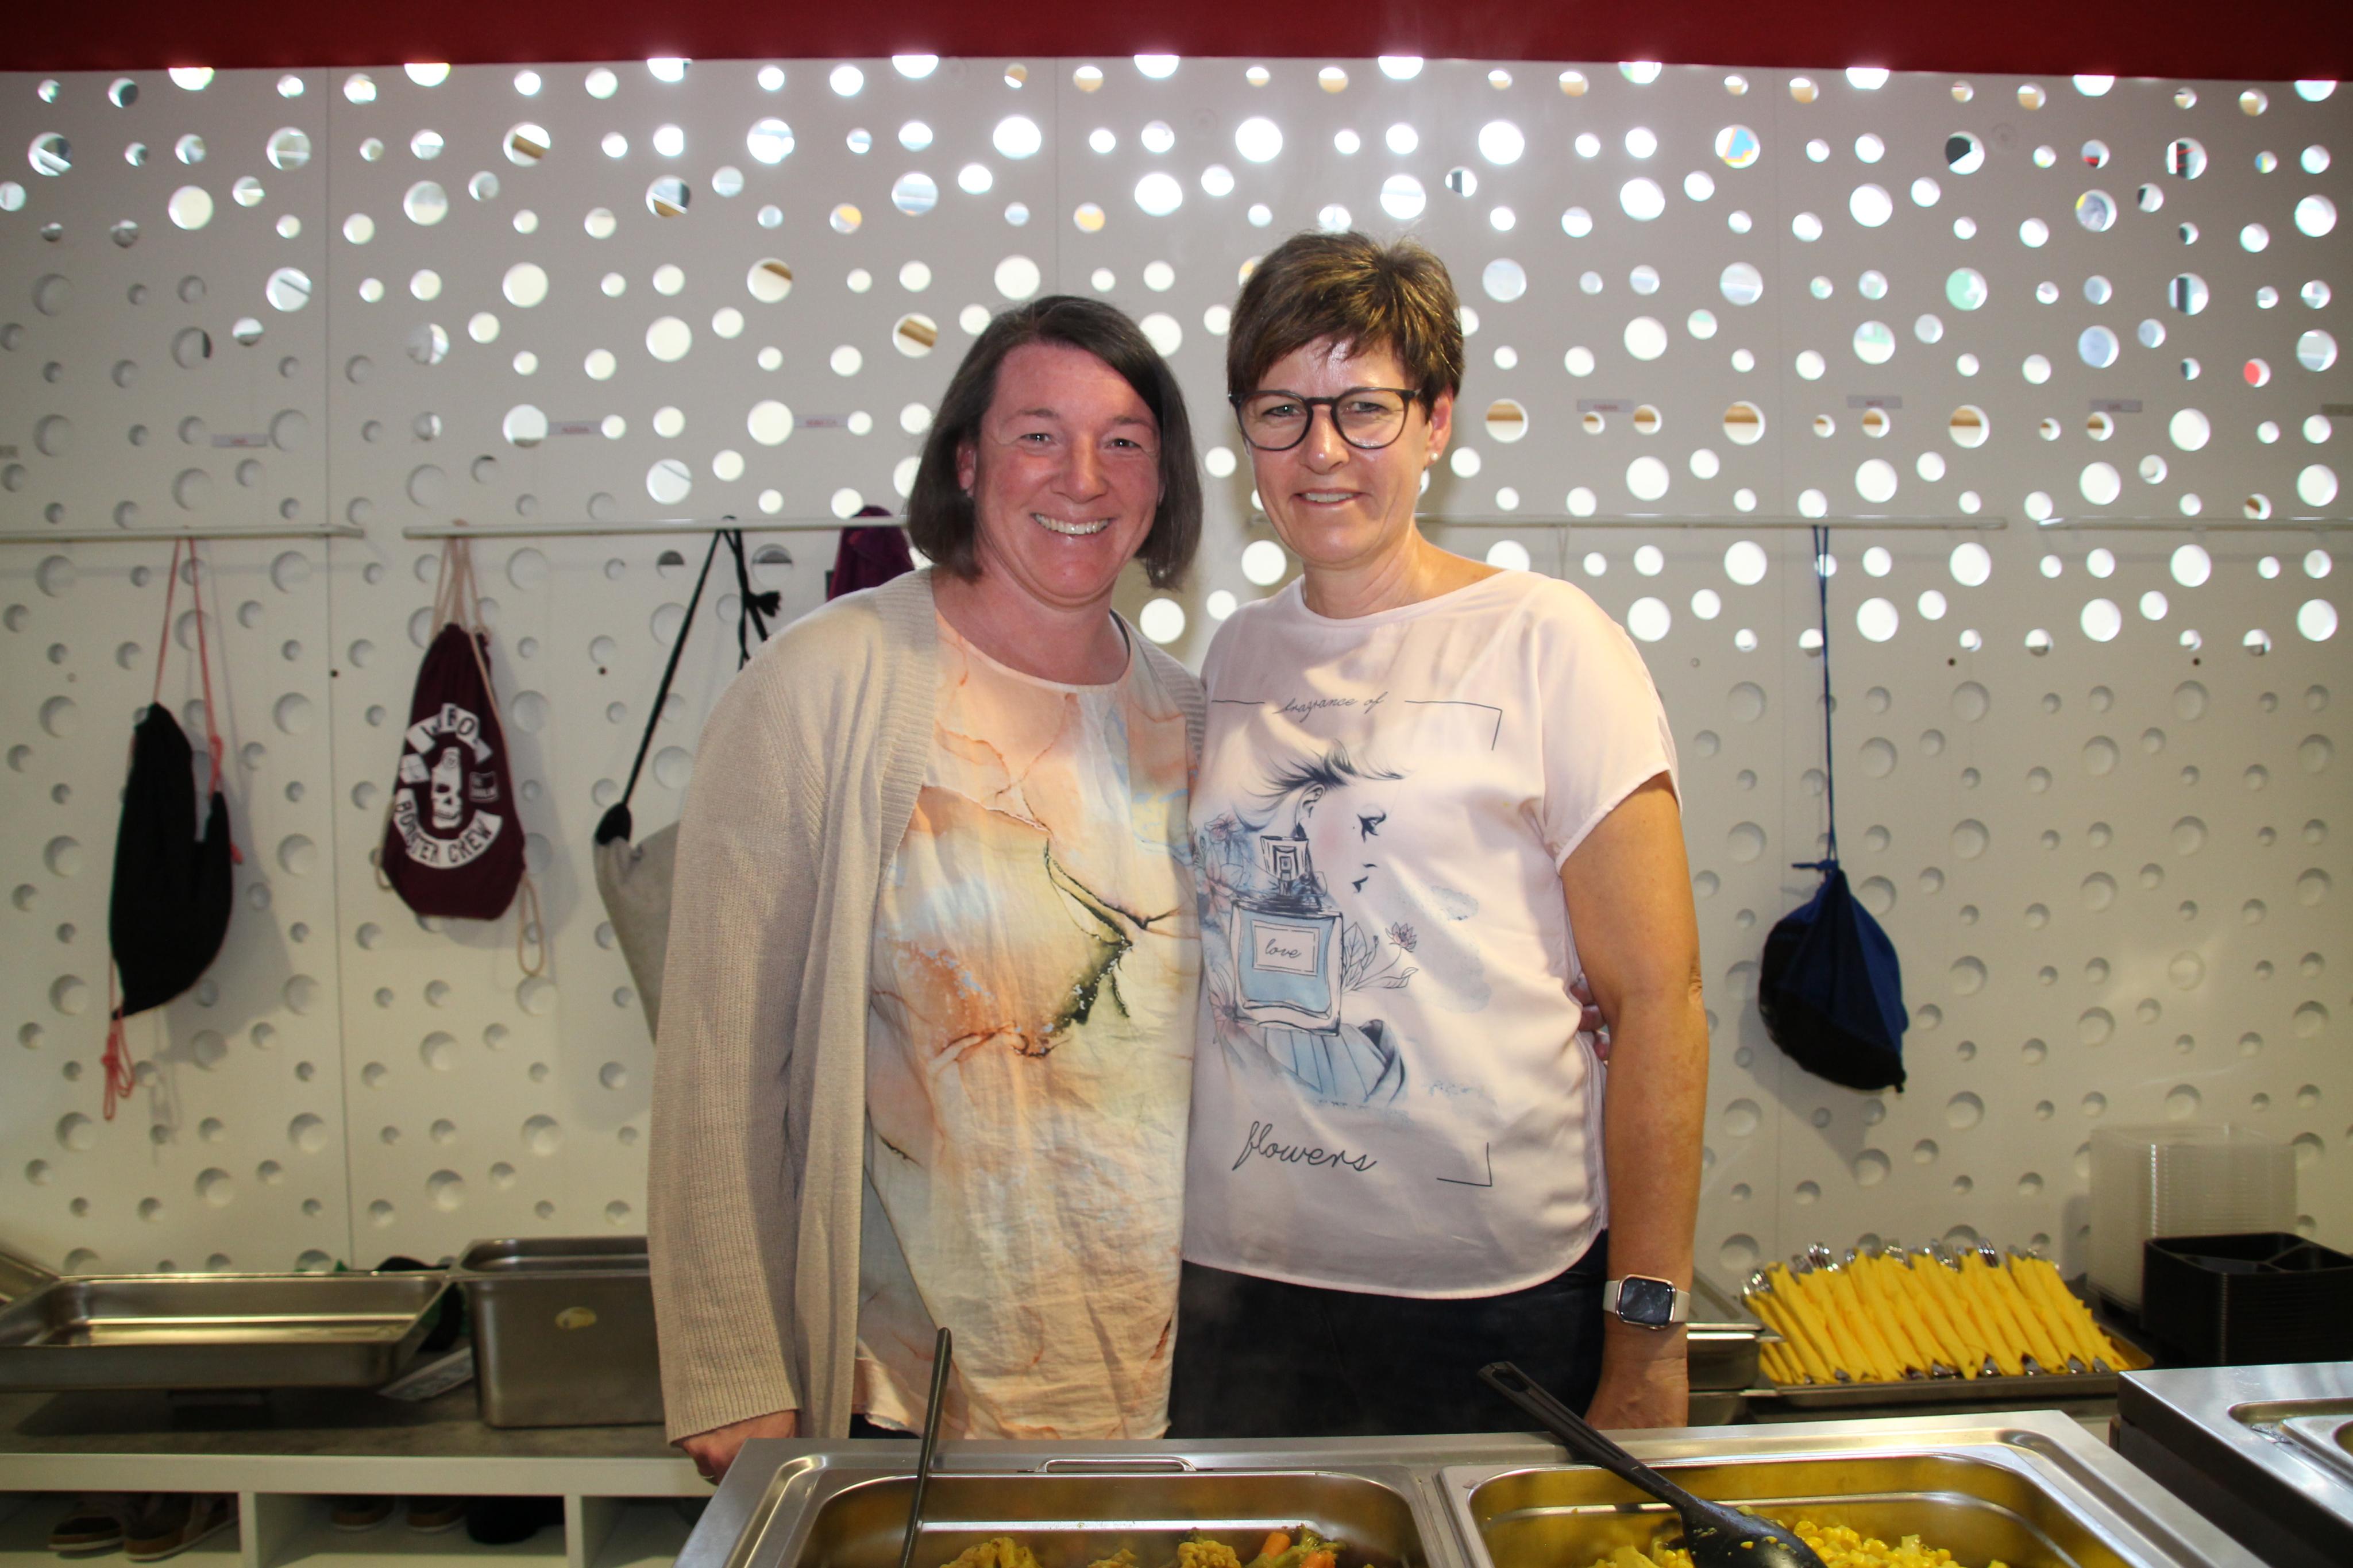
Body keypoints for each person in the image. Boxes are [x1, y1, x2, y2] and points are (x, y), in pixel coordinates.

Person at [649, 296, 1206, 1477]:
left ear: (1161, 484)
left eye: (1123, 442)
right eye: (1037, 435)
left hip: (1165, 1384)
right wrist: (731, 1366)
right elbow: (718, 1050)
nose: (1083, 477)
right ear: (966, 460)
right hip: (907, 1404)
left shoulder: (1191, 719)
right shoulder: (825, 686)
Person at [1171, 233, 1709, 1437]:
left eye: (1363, 408)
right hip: (1240, 1288)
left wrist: (1647, 1341)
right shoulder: (1238, 653)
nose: (1321, 452)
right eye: (1281, 411)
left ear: (1436, 420)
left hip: (1495, 1296)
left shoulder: (1547, 640)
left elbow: (1659, 1003)